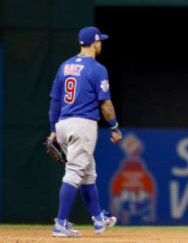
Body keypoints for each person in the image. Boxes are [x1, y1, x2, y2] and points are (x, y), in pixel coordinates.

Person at [48, 27, 122, 237]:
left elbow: (54, 101)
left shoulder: (64, 66)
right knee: (74, 173)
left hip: (63, 123)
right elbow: (105, 104)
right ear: (95, 43)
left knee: (88, 173)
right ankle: (60, 223)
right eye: (100, 41)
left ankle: (99, 219)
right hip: (82, 125)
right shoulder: (97, 69)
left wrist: (53, 131)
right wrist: (115, 127)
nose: (101, 44)